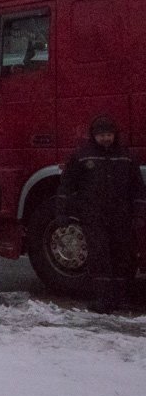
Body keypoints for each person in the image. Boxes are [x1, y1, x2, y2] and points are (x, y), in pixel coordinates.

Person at [57, 115, 144, 312]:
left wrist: (139, 214)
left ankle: (122, 299)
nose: (106, 138)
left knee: (123, 256)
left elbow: (137, 188)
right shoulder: (81, 156)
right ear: (94, 136)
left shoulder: (126, 156)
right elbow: (67, 186)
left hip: (121, 216)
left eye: (109, 134)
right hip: (93, 216)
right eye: (102, 135)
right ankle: (103, 300)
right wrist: (62, 213)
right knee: (99, 256)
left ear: (115, 135)